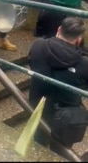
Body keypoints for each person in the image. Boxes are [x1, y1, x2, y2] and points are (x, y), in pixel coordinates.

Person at [28, 17, 88, 156]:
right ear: (79, 39)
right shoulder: (84, 64)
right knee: (61, 150)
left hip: (38, 104)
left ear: (59, 29)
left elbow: (33, 63)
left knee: (38, 140)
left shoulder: (38, 45)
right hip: (66, 114)